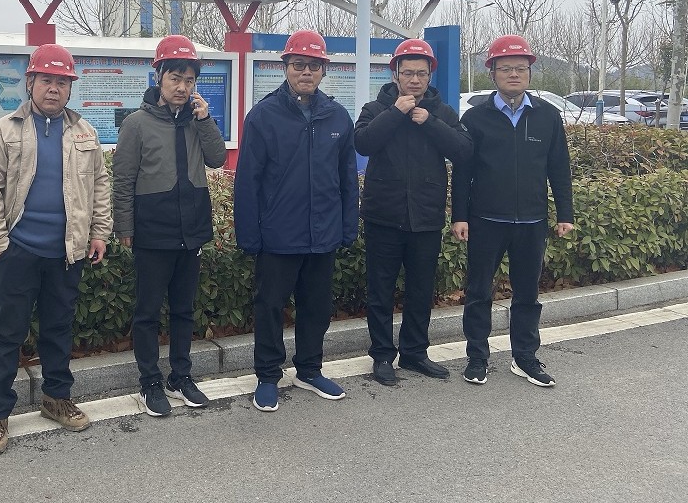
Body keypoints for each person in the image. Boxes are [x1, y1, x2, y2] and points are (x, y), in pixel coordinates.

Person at [0, 43, 112, 454]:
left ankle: (56, 398)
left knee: (58, 328)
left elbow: (99, 185)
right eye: (47, 80)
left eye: (62, 82)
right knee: (5, 332)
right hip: (18, 251)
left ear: (70, 89)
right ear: (30, 83)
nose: (54, 88)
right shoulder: (3, 131)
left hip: (66, 252)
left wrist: (99, 232)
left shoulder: (84, 132)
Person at [234, 30, 359, 412]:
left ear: (324, 70)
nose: (306, 71)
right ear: (286, 67)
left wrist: (347, 227)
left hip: (323, 233)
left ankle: (309, 369)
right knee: (270, 306)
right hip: (278, 234)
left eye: (313, 65)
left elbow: (347, 178)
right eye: (299, 64)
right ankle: (267, 375)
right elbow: (248, 180)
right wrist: (249, 235)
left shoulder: (337, 116)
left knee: (316, 307)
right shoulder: (264, 116)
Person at [112, 35, 227, 417]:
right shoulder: (136, 124)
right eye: (175, 78)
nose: (182, 87)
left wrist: (205, 120)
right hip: (152, 230)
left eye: (189, 80)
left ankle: (181, 376)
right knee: (147, 312)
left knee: (183, 310)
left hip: (190, 229)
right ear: (158, 77)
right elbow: (123, 179)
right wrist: (124, 227)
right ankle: (150, 381)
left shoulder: (197, 122)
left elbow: (217, 159)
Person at [451, 34, 574, 388]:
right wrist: (459, 215)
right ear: (492, 73)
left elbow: (559, 168)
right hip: (485, 220)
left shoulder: (548, 116)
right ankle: (477, 357)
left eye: (521, 68)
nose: (514, 74)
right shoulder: (476, 117)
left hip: (532, 222)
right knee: (479, 293)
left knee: (527, 295)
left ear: (530, 72)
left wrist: (565, 213)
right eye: (505, 68)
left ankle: (525, 357)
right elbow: (463, 171)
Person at [354, 39, 471, 386]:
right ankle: (381, 356)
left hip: (426, 216)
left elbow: (464, 151)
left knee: (421, 290)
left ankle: (415, 352)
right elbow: (363, 143)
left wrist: (429, 121)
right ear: (395, 73)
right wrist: (396, 112)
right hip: (383, 216)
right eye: (408, 73)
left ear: (430, 75)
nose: (415, 80)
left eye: (421, 73)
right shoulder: (376, 108)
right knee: (380, 291)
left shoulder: (442, 112)